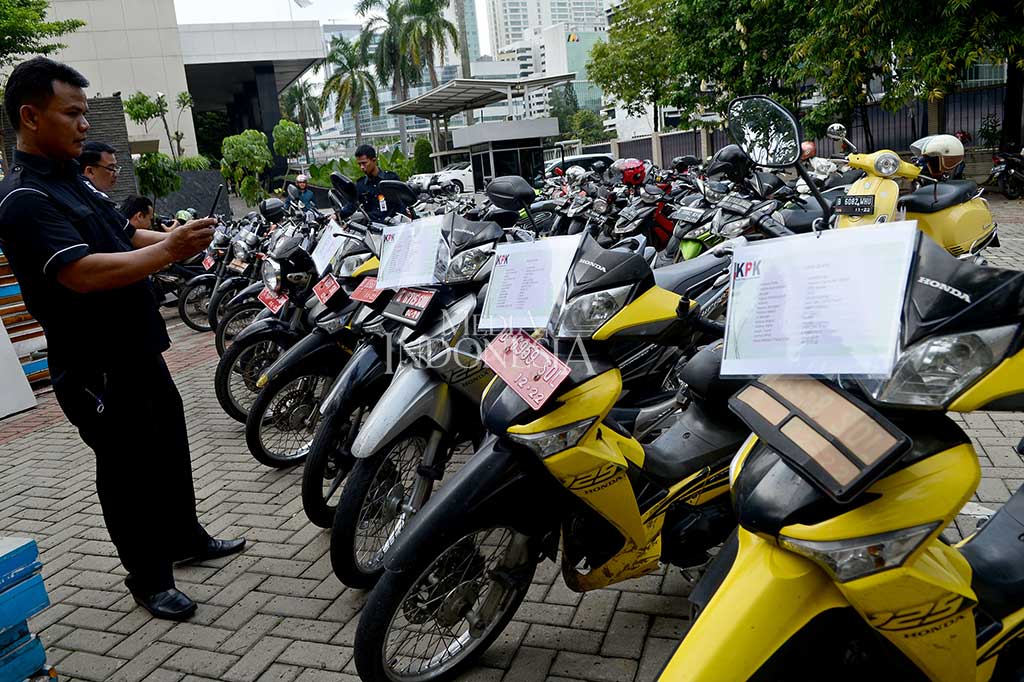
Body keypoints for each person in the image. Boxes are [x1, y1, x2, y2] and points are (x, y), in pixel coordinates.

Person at [0, 57, 244, 621]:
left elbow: (124, 235)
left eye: (85, 113)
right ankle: (149, 578)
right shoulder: (23, 198)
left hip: (138, 348)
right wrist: (168, 251)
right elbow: (80, 272)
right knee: (127, 471)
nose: (85, 124)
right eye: (73, 113)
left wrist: (176, 238)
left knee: (169, 446)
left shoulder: (73, 181)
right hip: (95, 365)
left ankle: (185, 538)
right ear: (31, 117)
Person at [338, 144, 407, 223]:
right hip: (373, 227)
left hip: (394, 225)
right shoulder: (361, 185)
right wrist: (337, 216)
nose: (362, 167)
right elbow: (351, 205)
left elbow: (403, 201)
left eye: (364, 163)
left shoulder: (391, 178)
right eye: (359, 164)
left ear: (374, 160)